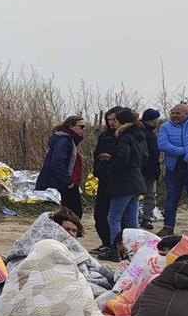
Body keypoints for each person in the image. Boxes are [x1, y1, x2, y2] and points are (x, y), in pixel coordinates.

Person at [100, 109, 148, 261]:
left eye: (117, 121)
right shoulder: (139, 136)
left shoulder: (124, 137)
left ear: (123, 122)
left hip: (123, 183)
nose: (114, 123)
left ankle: (116, 249)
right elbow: (143, 158)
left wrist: (111, 166)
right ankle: (135, 248)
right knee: (132, 219)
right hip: (136, 181)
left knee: (113, 218)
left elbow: (123, 158)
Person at [157, 102, 188, 239]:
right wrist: (182, 151)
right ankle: (168, 227)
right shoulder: (165, 126)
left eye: (178, 113)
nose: (174, 116)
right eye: (173, 113)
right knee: (171, 198)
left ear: (187, 114)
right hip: (173, 168)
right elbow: (162, 144)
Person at [35, 115, 85, 217]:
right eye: (81, 126)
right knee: (72, 215)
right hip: (64, 184)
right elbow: (57, 163)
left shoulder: (70, 141)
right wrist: (68, 182)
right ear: (71, 127)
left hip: (69, 183)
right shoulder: (63, 140)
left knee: (71, 215)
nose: (83, 130)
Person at [90, 107, 122, 249]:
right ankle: (106, 242)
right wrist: (97, 170)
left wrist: (111, 159)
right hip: (104, 179)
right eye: (109, 120)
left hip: (120, 180)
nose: (112, 123)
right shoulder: (104, 136)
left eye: (114, 120)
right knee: (100, 214)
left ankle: (117, 245)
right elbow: (96, 154)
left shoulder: (127, 136)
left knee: (117, 216)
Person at [139, 109, 162, 229]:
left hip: (149, 170)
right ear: (153, 120)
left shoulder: (147, 132)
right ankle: (145, 218)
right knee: (149, 195)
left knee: (149, 195)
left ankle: (146, 218)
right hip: (145, 170)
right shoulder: (144, 133)